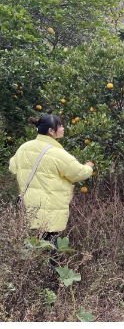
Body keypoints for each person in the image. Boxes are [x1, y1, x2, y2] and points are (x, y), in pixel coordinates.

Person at [9, 115, 93, 288]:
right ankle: (52, 285)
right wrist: (89, 168)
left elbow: (12, 166)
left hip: (29, 207)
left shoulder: (24, 147)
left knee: (32, 245)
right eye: (60, 126)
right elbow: (77, 173)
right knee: (51, 247)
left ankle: (26, 281)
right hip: (50, 210)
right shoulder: (57, 153)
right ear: (51, 131)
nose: (63, 129)